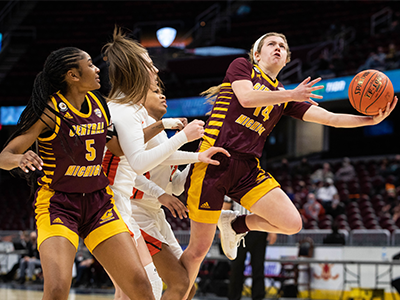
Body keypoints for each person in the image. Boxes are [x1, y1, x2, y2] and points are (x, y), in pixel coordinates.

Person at [178, 32, 397, 297]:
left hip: (247, 168)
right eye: (272, 44)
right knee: (198, 251)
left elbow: (329, 118)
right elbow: (247, 98)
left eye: (283, 46)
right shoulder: (242, 66)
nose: (278, 48)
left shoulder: (284, 95)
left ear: (286, 60)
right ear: (257, 55)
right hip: (213, 160)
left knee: (292, 223)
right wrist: (291, 94)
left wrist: (368, 121)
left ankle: (237, 225)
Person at [0, 46, 157, 300]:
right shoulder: (50, 111)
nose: (97, 70)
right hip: (59, 205)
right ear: (73, 75)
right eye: (90, 65)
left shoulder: (98, 104)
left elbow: (117, 148)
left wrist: (162, 128)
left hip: (99, 204)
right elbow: (4, 157)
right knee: (56, 291)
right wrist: (20, 158)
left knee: (141, 285)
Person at [101, 27, 229, 300]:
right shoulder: (123, 111)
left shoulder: (141, 117)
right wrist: (183, 137)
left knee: (172, 285)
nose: (157, 74)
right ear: (135, 71)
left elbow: (166, 160)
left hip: (137, 209)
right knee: (153, 287)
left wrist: (199, 156)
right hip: (123, 208)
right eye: (150, 66)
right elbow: (135, 162)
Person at [223, 196, 277, 300]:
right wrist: (224, 228)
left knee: (258, 266)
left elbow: (270, 207)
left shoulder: (262, 183)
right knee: (236, 266)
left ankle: (258, 297)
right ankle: (234, 297)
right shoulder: (231, 183)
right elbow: (226, 207)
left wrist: (272, 230)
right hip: (238, 229)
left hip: (259, 229)